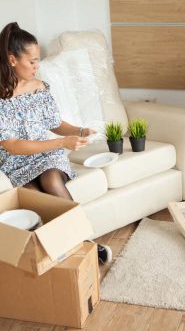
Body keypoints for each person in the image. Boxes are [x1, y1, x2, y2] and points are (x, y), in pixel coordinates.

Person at [0, 22, 112, 264]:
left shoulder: (39, 87)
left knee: (51, 178)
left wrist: (79, 130)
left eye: (38, 60)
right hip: (16, 161)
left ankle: (85, 245)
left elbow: (54, 123)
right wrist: (62, 142)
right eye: (32, 61)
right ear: (12, 60)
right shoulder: (1, 99)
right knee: (32, 195)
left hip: (47, 156)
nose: (37, 66)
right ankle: (64, 252)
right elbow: (12, 145)